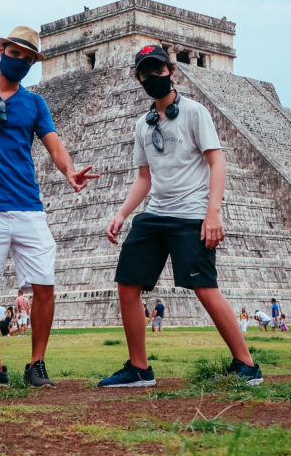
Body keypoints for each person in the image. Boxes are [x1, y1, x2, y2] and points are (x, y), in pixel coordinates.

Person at [98, 45, 261, 388]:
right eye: (146, 72)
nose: (153, 77)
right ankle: (139, 368)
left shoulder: (194, 112)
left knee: (204, 287)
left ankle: (247, 364)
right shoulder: (142, 125)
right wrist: (122, 214)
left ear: (171, 71)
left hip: (191, 215)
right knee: (127, 285)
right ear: (139, 78)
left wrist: (212, 214)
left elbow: (217, 161)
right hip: (155, 214)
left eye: (158, 70)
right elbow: (145, 178)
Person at [0, 26, 97, 391]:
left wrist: (69, 171)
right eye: (16, 53)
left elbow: (53, 144)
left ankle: (36, 364)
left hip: (28, 207)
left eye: (29, 59)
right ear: (1, 48)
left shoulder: (35, 103)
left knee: (44, 285)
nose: (21, 61)